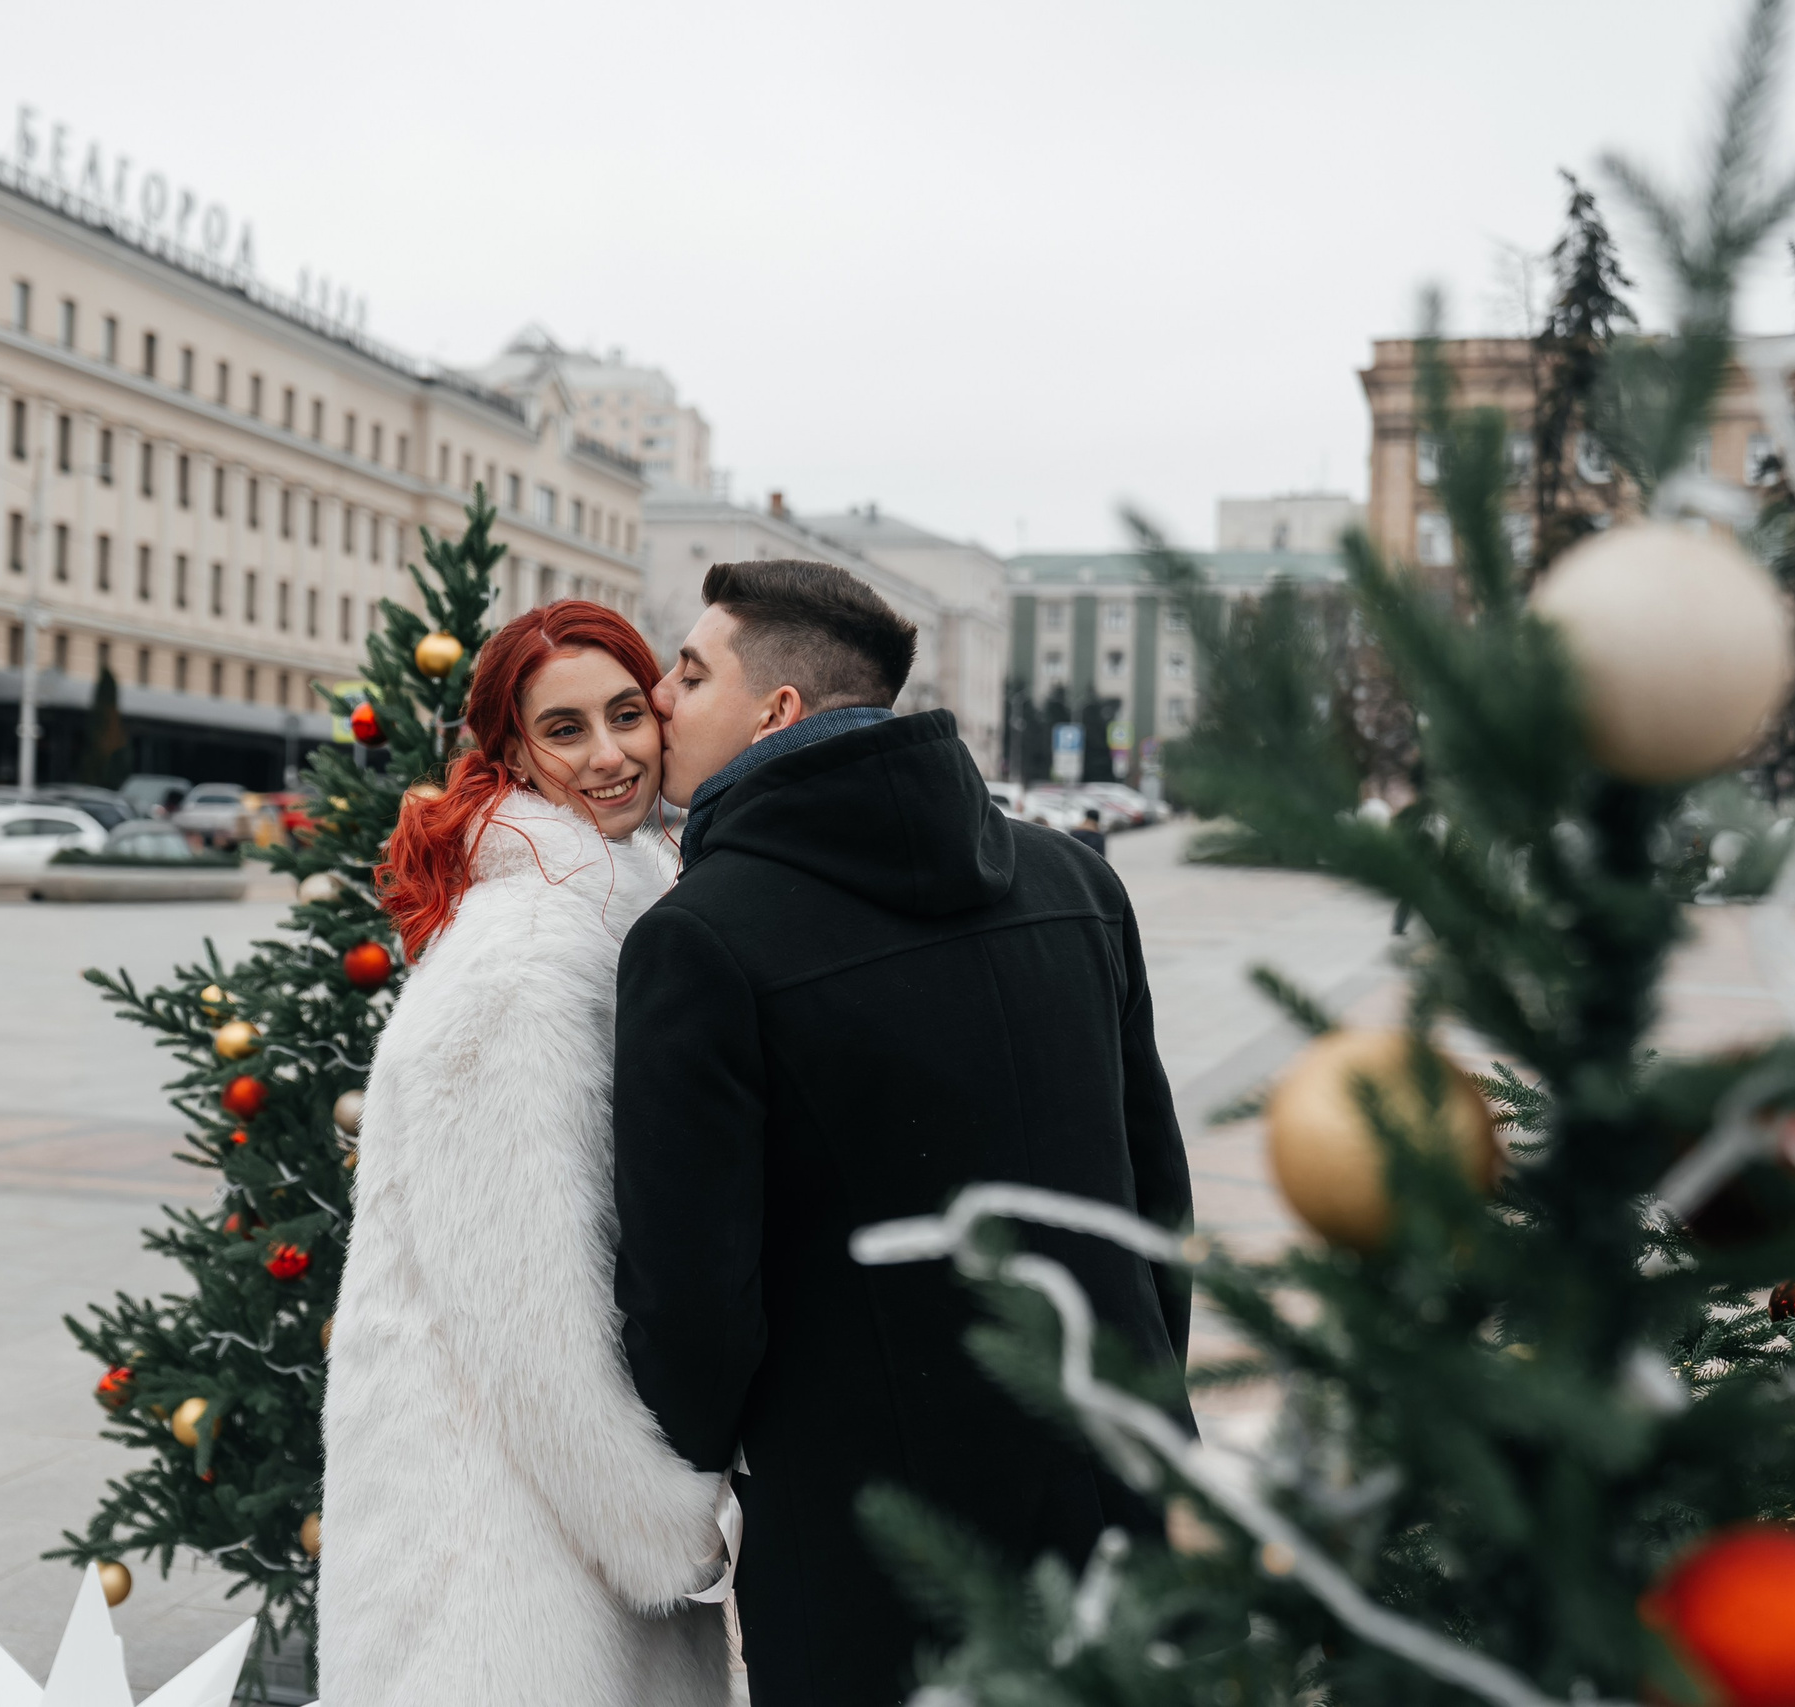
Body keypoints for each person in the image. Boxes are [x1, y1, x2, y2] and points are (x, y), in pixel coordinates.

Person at [612, 560, 1194, 1707]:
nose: (659, 699)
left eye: (688, 672)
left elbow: (694, 1307)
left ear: (775, 710)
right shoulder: (1075, 883)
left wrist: (688, 1483)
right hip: (1109, 1495)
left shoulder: (700, 941)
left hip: (874, 1558)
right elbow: (1153, 1206)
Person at [321, 600, 730, 1707]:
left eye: (626, 714)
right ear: (510, 752)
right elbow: (524, 1306)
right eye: (564, 729)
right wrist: (665, 1525)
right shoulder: (529, 952)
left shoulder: (609, 911)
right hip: (497, 1560)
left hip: (541, 1528)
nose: (609, 755)